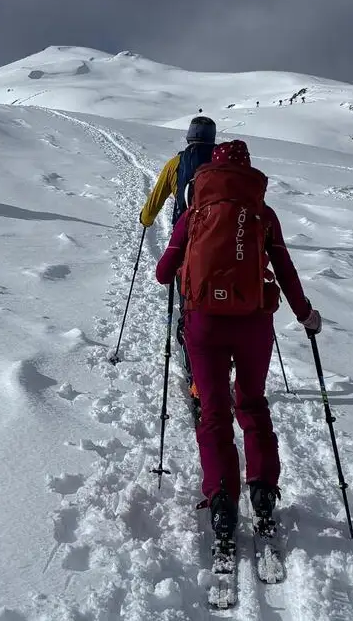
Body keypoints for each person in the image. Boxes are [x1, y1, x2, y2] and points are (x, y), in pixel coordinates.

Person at [155, 139, 322, 541]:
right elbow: (285, 269)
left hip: (203, 323)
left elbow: (162, 273)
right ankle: (262, 490)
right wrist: (306, 315)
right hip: (253, 323)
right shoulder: (264, 213)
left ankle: (221, 499)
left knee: (214, 412)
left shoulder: (195, 212)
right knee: (252, 403)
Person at [139, 115, 217, 417]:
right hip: (226, 250)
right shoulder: (224, 165)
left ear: (188, 137)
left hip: (187, 248)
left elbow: (155, 201)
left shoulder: (177, 163)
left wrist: (145, 219)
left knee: (191, 309)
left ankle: (198, 379)